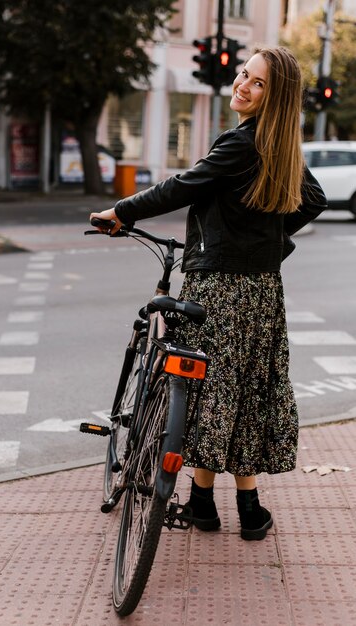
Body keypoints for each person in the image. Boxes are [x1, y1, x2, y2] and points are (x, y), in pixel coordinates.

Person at [90, 46, 327, 541]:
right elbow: (314, 200)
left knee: (208, 391)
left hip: (217, 285)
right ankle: (241, 505)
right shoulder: (279, 145)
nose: (242, 84)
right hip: (262, 291)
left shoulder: (241, 143)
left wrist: (122, 211)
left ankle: (206, 501)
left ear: (275, 95)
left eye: (257, 81)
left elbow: (183, 186)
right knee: (244, 393)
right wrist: (268, 245)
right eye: (243, 74)